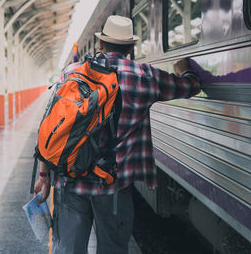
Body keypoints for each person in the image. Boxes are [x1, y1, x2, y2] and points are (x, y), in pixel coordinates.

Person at [33, 15, 201, 254]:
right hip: (113, 186)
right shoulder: (145, 76)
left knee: (67, 250)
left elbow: (50, 125)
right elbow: (189, 87)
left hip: (69, 182)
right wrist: (186, 71)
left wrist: (44, 174)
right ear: (131, 48)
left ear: (100, 45)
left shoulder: (71, 72)